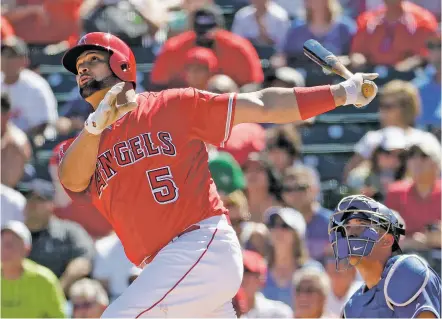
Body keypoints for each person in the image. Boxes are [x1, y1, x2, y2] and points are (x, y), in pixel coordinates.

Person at [57, 31, 378, 317]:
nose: (82, 68)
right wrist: (95, 125)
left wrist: (342, 93)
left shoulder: (172, 106)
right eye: (78, 66)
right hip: (165, 270)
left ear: (122, 65)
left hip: (199, 245)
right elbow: (71, 179)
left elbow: (263, 104)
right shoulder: (84, 144)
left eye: (93, 59)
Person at [328, 194, 441, 318]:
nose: (349, 235)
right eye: (347, 228)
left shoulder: (408, 271)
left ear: (387, 240)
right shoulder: (351, 307)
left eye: (360, 226)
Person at [1, 220, 66, 318]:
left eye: (11, 245)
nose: (5, 250)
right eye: (3, 244)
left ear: (26, 248)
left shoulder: (44, 280)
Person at [241, 250, 293, 318]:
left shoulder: (279, 314)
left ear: (260, 278)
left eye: (246, 271)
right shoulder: (223, 310)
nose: (240, 277)